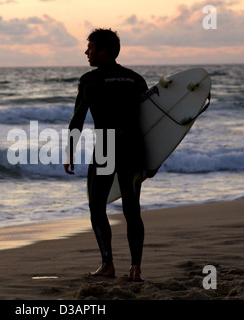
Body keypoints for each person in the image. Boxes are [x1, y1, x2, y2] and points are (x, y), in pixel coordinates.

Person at [63, 28, 156, 282]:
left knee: (96, 207)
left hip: (106, 146)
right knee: (132, 210)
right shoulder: (135, 80)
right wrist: (153, 158)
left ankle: (107, 264)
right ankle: (135, 269)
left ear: (103, 51)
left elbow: (77, 120)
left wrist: (70, 152)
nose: (86, 52)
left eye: (90, 47)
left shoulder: (89, 81)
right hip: (134, 149)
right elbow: (150, 123)